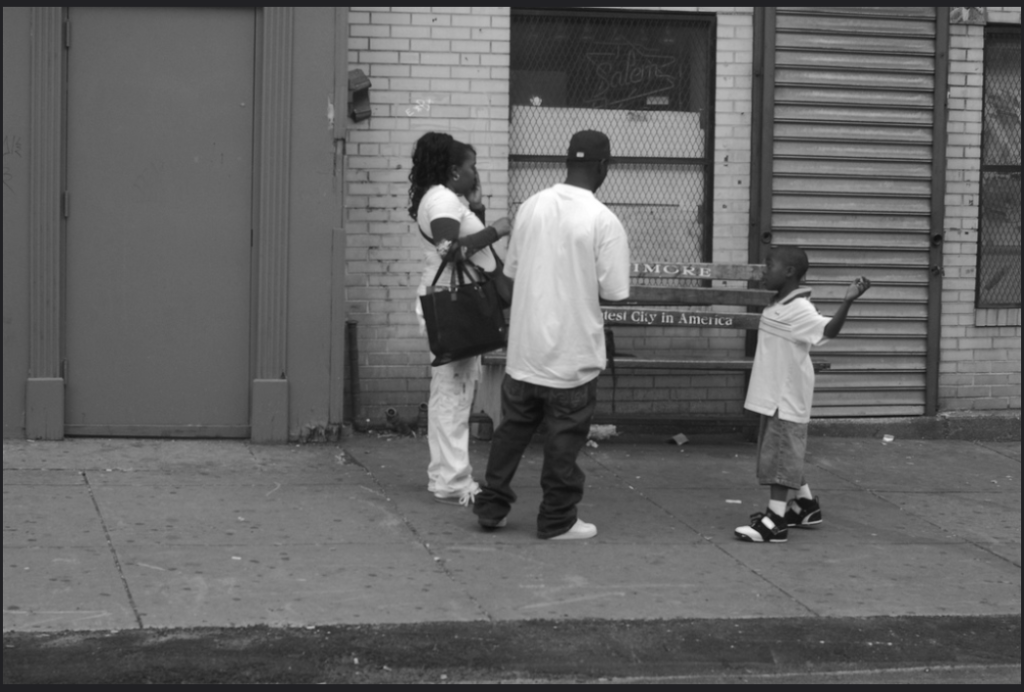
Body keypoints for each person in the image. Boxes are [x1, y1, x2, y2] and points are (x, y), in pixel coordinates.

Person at [472, 130, 631, 540]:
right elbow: (614, 292)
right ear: (604, 167)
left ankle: (492, 509)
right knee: (563, 441)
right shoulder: (603, 220)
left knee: (511, 435)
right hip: (572, 356)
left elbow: (511, 273)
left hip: (524, 351)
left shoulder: (530, 208)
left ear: (567, 161)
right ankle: (558, 520)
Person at [735, 246, 871, 543]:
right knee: (782, 455)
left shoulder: (799, 310)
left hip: (784, 399)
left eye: (769, 265)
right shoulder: (780, 304)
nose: (763, 270)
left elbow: (828, 331)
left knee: (780, 458)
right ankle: (805, 506)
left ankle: (776, 522)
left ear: (789, 272)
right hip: (773, 395)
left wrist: (847, 302)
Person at [408, 132, 513, 505]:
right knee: (454, 394)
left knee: (449, 392)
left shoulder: (446, 198)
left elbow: (460, 238)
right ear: (454, 170)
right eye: (472, 167)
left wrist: (475, 206)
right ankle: (454, 481)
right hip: (455, 305)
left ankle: (443, 475)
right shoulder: (440, 199)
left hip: (454, 302)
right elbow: (450, 249)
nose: (476, 173)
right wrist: (495, 229)